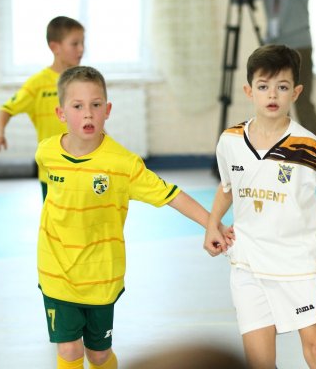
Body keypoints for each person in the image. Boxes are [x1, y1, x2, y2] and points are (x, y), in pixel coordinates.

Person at [35, 66, 232, 369]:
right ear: (61, 113)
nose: (88, 114)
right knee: (69, 350)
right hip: (56, 274)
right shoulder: (46, 153)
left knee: (98, 354)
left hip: (102, 277)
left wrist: (211, 224)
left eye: (96, 105)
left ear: (107, 110)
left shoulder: (123, 164)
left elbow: (171, 194)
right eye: (78, 106)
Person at [204, 44, 316, 369]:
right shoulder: (230, 141)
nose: (272, 95)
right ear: (249, 90)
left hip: (297, 265)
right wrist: (212, 224)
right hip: (247, 264)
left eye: (282, 87)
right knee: (260, 362)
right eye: (263, 87)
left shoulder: (309, 146)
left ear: (296, 91)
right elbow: (227, 189)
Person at [0, 16, 85, 200]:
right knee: (56, 226)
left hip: (86, 169)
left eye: (82, 43)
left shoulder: (84, 81)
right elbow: (6, 109)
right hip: (52, 174)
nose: (81, 49)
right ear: (55, 47)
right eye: (75, 44)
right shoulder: (37, 85)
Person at [248, 0, 316, 143]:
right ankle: (282, 147)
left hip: (299, 45)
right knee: (277, 100)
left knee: (302, 100)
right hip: (274, 47)